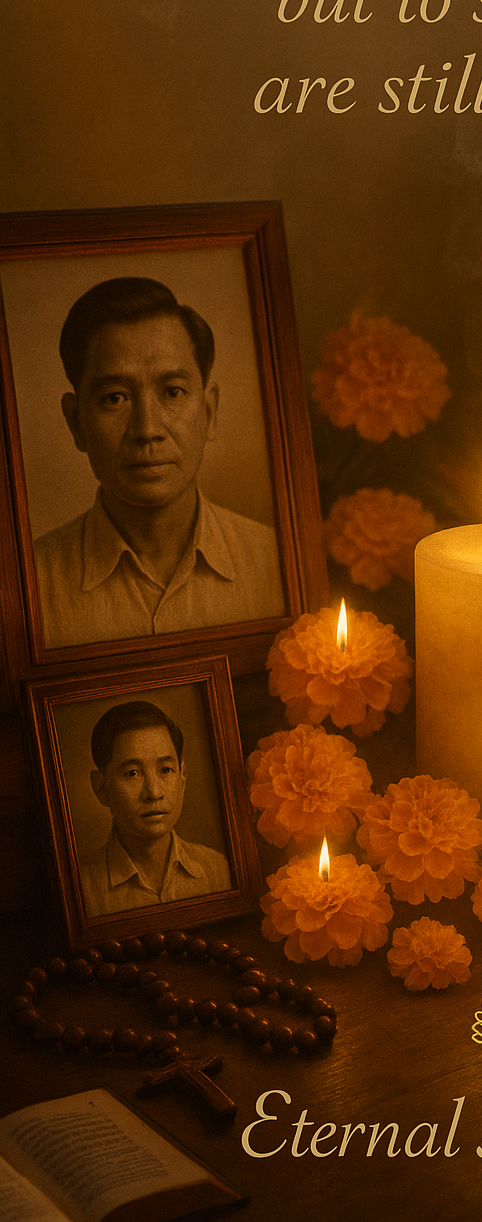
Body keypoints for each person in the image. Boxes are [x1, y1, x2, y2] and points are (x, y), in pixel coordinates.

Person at [34, 276, 284, 647]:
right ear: (76, 422)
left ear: (209, 412)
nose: (147, 429)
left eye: (173, 392)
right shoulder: (27, 586)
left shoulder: (276, 562)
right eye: (115, 398)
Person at [80, 700, 231, 918]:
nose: (153, 792)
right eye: (132, 773)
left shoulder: (218, 870)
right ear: (101, 788)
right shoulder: (81, 890)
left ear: (183, 777)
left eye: (166, 770)